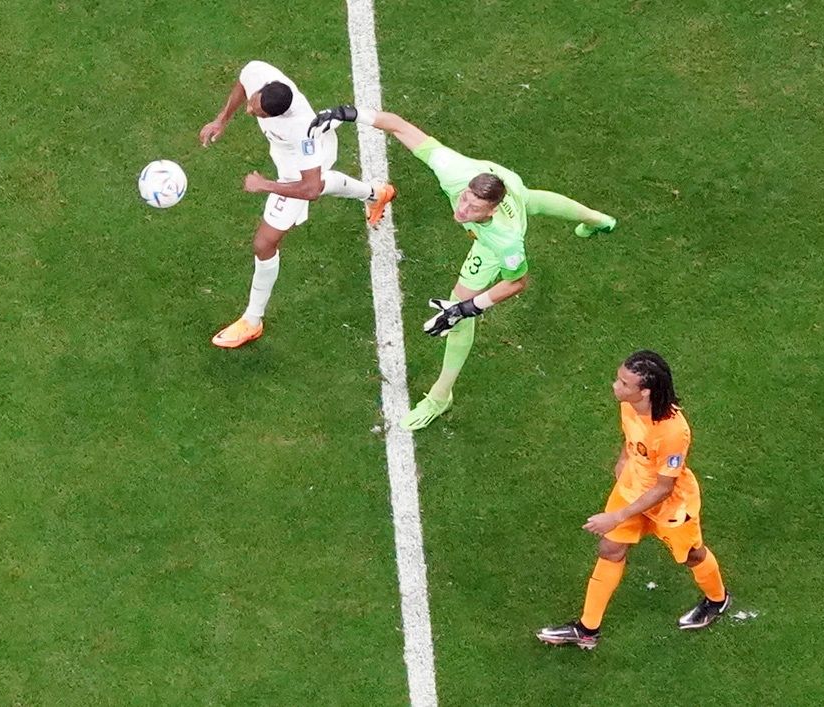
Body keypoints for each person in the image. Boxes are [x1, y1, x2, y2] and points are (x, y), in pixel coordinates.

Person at [308, 106, 617, 429]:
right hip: (504, 177)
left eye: (474, 207)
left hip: (489, 242)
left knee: (457, 310)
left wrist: (469, 307)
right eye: (466, 198)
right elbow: (399, 126)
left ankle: (441, 396)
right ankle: (599, 220)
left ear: (493, 209)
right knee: (528, 198)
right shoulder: (454, 171)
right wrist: (349, 114)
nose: (463, 209)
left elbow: (517, 281)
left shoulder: (505, 241)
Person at [536, 350, 731, 650]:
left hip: (670, 506)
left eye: (624, 383)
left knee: (693, 555)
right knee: (611, 548)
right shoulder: (630, 406)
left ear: (646, 391)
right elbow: (630, 438)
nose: (615, 386)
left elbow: (664, 488)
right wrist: (623, 459)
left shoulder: (673, 433)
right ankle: (587, 630)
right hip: (632, 489)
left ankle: (717, 600)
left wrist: (615, 516)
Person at [199, 62, 397, 349]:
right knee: (322, 181)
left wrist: (265, 185)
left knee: (264, 243)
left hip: (301, 167)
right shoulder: (260, 75)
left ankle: (252, 321)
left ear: (278, 114)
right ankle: (375, 194)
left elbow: (310, 188)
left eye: (258, 112)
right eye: (254, 104)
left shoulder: (301, 131)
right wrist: (221, 120)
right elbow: (244, 81)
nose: (250, 110)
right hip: (290, 157)